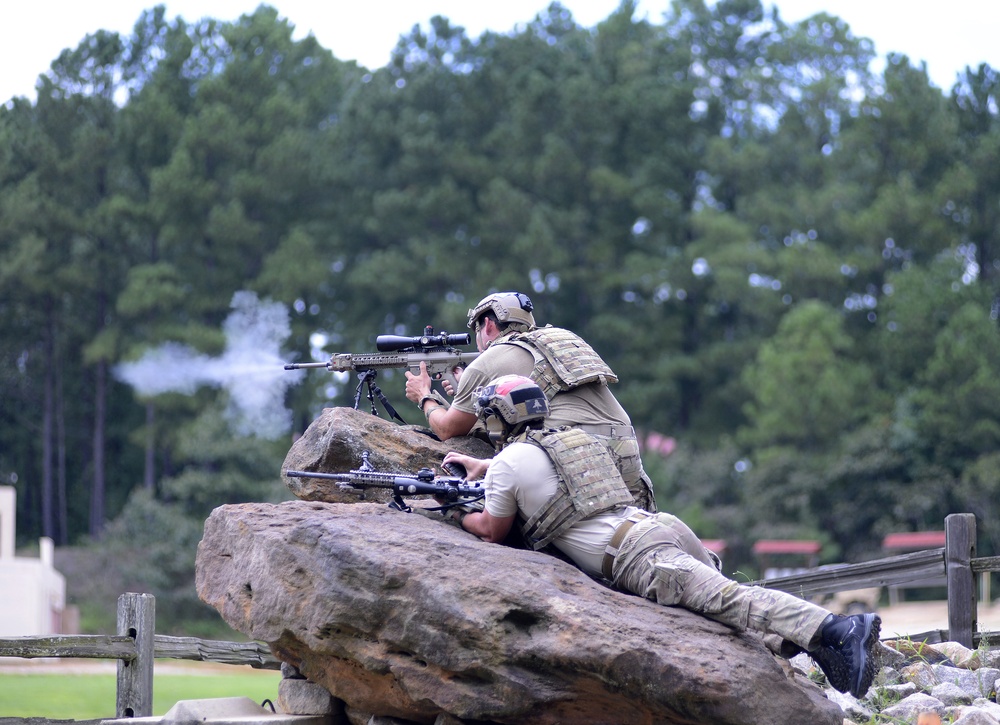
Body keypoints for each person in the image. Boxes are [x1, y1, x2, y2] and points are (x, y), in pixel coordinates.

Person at [440, 374, 882, 700]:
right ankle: (816, 647)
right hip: (659, 527)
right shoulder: (568, 440)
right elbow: (540, 478)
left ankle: (838, 630)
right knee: (721, 604)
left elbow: (492, 530)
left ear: (502, 418)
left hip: (634, 555)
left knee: (727, 599)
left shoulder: (509, 463)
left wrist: (457, 513)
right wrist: (486, 471)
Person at [405, 291, 656, 511]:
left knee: (476, 505)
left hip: (579, 456)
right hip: (628, 452)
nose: (479, 338)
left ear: (489, 325)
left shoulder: (487, 362)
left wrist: (424, 395)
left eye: (477, 330)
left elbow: (448, 429)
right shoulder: (557, 341)